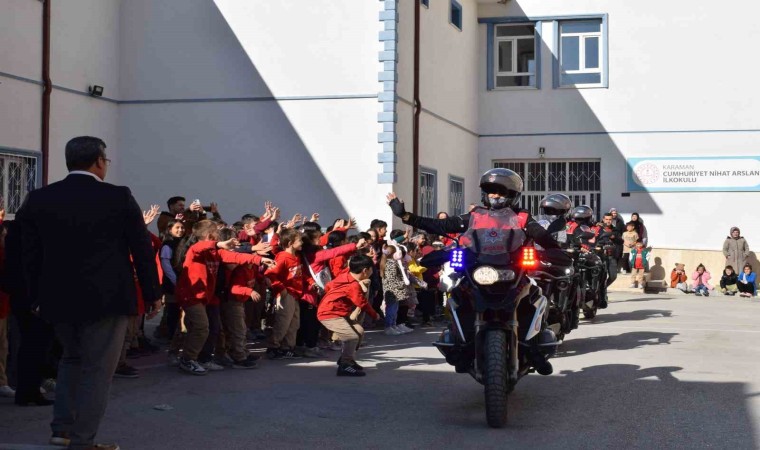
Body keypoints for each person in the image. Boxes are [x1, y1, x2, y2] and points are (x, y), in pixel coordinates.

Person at [16, 136, 162, 450]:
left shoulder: (40, 198)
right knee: (97, 370)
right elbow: (142, 249)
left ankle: (63, 429)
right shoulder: (118, 197)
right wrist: (152, 293)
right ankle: (83, 440)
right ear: (98, 161)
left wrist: (35, 298)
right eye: (105, 160)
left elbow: (27, 254)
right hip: (107, 299)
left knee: (71, 360)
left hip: (57, 298)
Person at [174, 220, 273, 375]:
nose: (219, 235)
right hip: (191, 296)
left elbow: (237, 257)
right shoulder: (195, 250)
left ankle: (202, 359)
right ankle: (187, 359)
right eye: (216, 232)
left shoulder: (217, 252)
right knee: (200, 327)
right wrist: (219, 244)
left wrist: (259, 259)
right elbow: (200, 246)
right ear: (210, 235)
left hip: (207, 297)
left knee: (211, 328)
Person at [317, 254, 379, 377]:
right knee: (351, 337)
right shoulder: (353, 286)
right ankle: (344, 366)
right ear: (365, 271)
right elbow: (362, 303)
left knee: (359, 331)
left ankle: (348, 359)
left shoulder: (345, 276)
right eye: (372, 269)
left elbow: (329, 286)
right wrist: (374, 315)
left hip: (339, 312)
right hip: (330, 314)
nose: (372, 272)